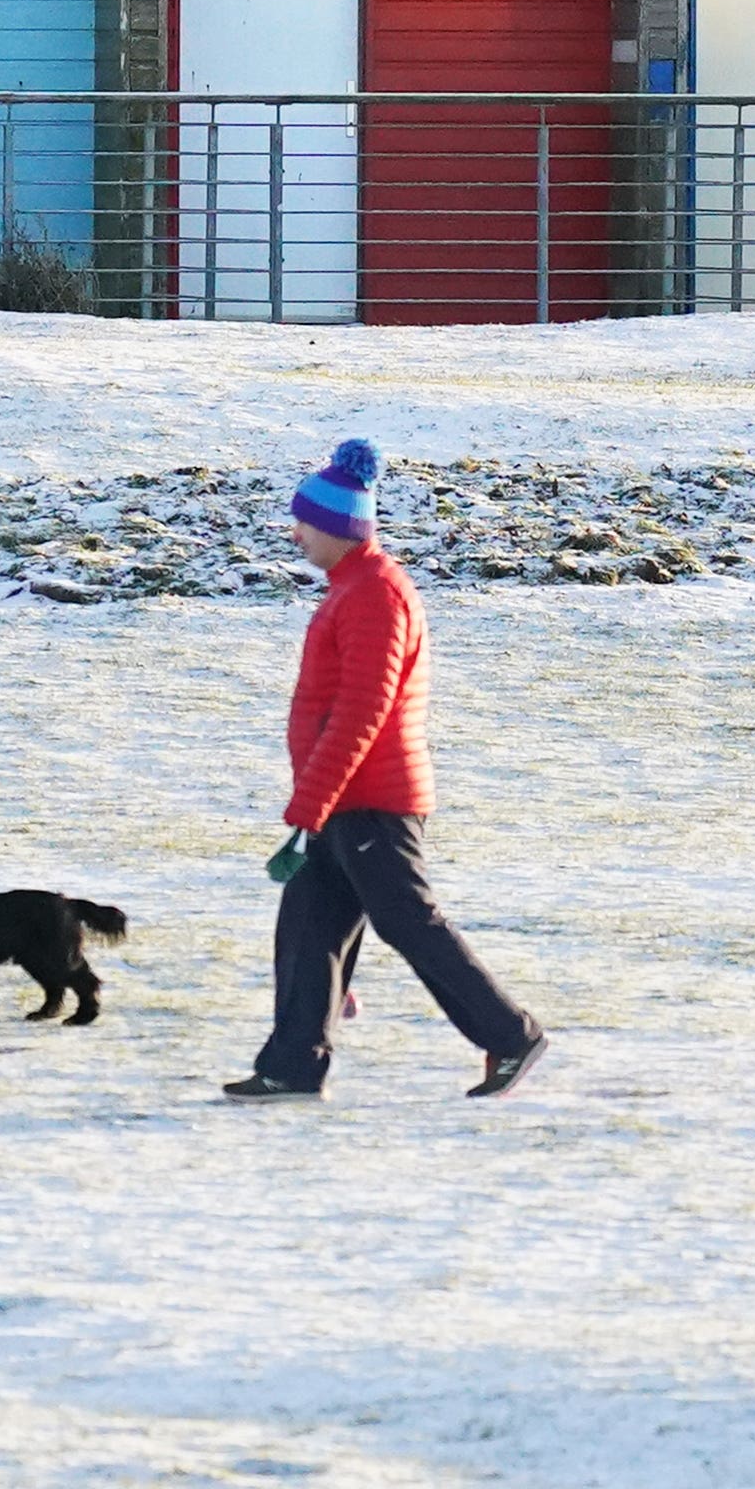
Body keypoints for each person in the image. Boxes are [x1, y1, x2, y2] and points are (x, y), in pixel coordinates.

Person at [223, 439, 548, 1103]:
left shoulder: (375, 595)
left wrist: (312, 802)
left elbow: (362, 711)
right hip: (342, 799)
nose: (296, 534)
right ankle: (290, 1066)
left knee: (408, 921)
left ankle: (511, 1036)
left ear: (341, 527)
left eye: (306, 523)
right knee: (309, 929)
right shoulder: (351, 587)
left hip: (370, 800)